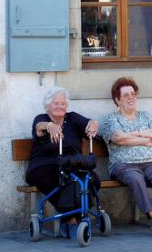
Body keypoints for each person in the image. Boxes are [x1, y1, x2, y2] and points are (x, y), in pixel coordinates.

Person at [100, 77, 152, 235]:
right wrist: (145, 141)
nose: (131, 97)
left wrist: (136, 134)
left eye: (133, 94)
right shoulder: (110, 119)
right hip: (124, 164)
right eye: (126, 95)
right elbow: (119, 138)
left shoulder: (145, 116)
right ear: (117, 100)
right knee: (135, 177)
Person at [25, 87, 100, 237]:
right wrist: (49, 126)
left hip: (70, 163)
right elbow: (39, 127)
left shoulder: (72, 118)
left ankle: (75, 218)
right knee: (57, 180)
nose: (60, 106)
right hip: (43, 165)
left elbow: (88, 123)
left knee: (92, 180)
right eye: (56, 103)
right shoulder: (42, 118)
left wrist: (93, 124)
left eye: (63, 103)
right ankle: (72, 220)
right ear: (48, 106)